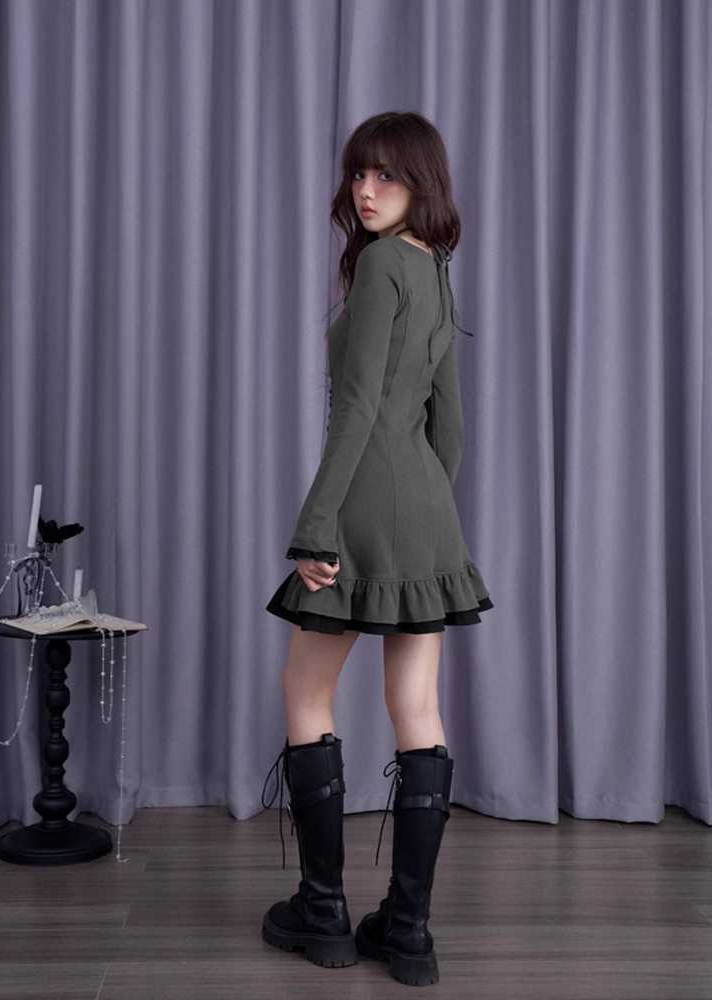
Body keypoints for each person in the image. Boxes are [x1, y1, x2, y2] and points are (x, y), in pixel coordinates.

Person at [260, 111, 494, 987]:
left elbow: (355, 410)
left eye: (387, 175)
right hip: (427, 509)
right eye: (359, 172)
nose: (365, 189)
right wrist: (424, 505)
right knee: (417, 705)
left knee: (306, 688)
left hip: (360, 502)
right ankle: (408, 931)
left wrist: (318, 525)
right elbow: (450, 423)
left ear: (420, 182)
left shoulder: (382, 267)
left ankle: (323, 909)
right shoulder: (435, 267)